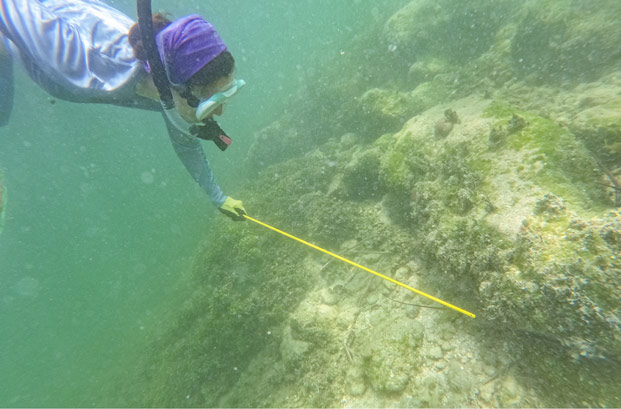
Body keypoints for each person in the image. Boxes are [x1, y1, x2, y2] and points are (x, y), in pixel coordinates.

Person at [0, 0, 247, 221]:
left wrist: (218, 198)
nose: (221, 113)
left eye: (227, 94)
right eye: (212, 103)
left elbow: (185, 140)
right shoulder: (83, 63)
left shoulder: (166, 86)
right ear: (174, 86)